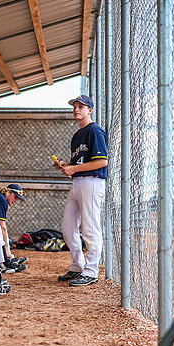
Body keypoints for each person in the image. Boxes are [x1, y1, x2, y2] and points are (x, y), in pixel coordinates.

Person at [56, 94, 108, 287]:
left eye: (81, 106)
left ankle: (91, 271)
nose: (77, 109)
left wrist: (74, 168)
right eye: (75, 106)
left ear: (90, 110)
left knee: (90, 227)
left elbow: (102, 161)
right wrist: (67, 165)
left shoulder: (95, 131)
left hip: (92, 183)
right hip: (78, 183)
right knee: (68, 227)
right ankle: (78, 265)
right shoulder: (77, 135)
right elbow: (81, 162)